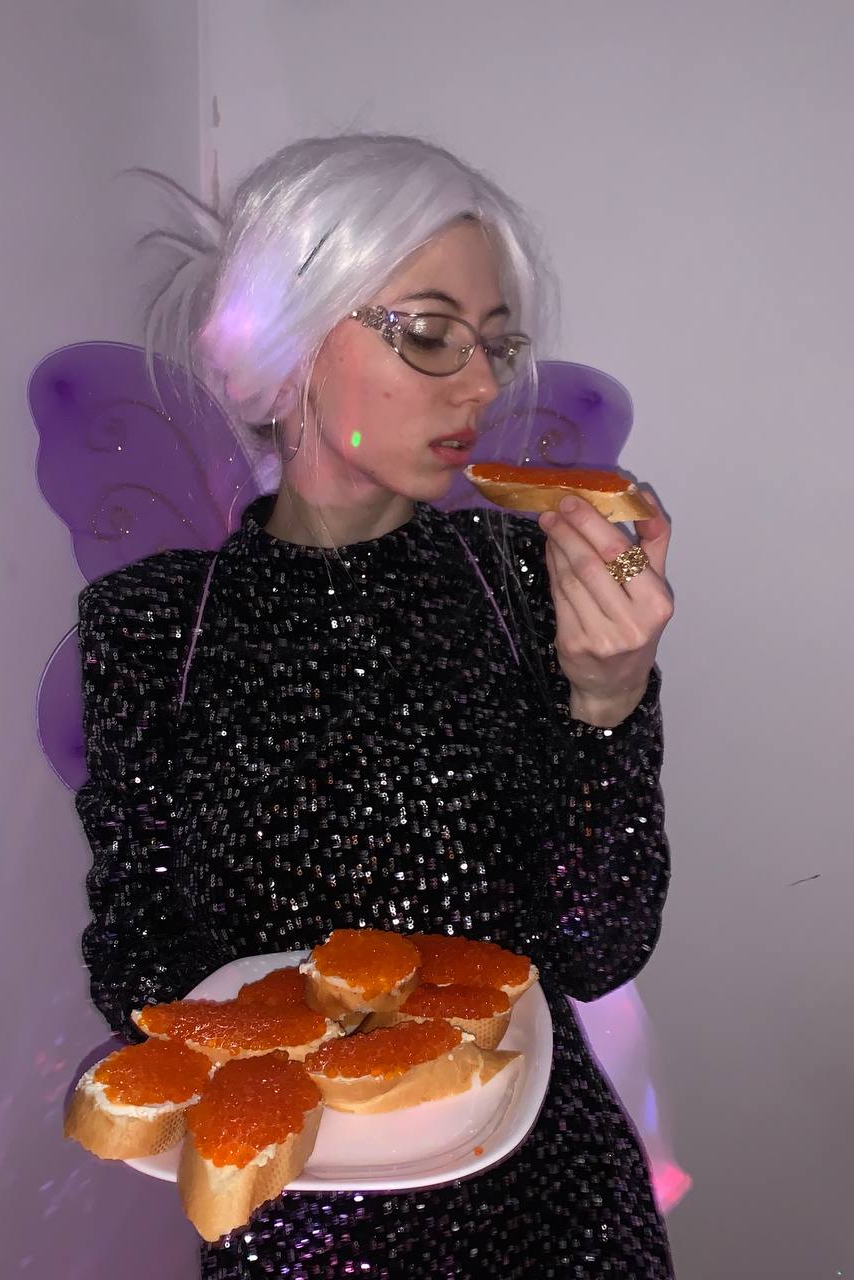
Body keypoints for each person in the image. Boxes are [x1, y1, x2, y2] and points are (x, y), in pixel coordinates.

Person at [76, 133, 676, 1279]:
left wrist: (610, 698)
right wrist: (280, 1042)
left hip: (547, 1200)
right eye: (432, 333)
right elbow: (138, 961)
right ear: (288, 340)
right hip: (296, 1211)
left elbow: (599, 948)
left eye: (496, 342)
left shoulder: (528, 581)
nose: (484, 385)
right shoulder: (152, 624)